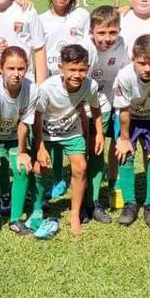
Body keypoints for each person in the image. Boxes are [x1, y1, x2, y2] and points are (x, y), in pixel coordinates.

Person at [28, 44, 102, 239]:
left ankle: (74, 214)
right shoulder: (47, 89)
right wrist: (40, 147)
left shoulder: (90, 86)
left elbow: (95, 109)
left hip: (71, 132)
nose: (77, 75)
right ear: (61, 68)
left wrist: (99, 134)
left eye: (82, 70)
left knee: (81, 168)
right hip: (46, 133)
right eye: (72, 69)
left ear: (87, 68)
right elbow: (37, 117)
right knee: (39, 169)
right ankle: (37, 209)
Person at [0, 47, 38, 239]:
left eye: (21, 68)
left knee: (22, 167)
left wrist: (22, 152)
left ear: (27, 68)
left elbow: (24, 123)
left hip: (14, 130)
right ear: (1, 68)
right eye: (11, 68)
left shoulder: (32, 89)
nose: (16, 74)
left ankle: (15, 220)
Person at [112, 34, 150, 228]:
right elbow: (123, 110)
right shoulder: (125, 76)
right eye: (142, 63)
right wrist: (124, 139)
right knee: (125, 154)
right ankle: (129, 204)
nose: (147, 69)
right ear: (133, 59)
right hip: (129, 118)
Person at [39, 0, 90, 199]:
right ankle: (55, 177)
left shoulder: (81, 15)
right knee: (51, 129)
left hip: (74, 83)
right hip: (50, 84)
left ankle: (68, 178)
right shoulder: (40, 19)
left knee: (70, 127)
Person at [81, 6, 129, 222]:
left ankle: (95, 202)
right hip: (82, 109)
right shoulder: (85, 48)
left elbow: (125, 74)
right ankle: (81, 201)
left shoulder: (122, 45)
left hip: (106, 106)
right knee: (81, 155)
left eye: (112, 32)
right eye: (101, 33)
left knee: (97, 153)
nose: (107, 38)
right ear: (91, 31)